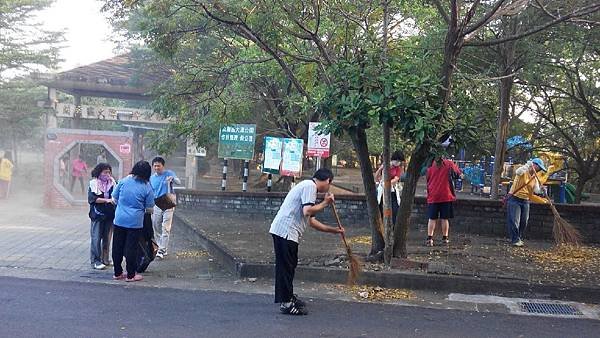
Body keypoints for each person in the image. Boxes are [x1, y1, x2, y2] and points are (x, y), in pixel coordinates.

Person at [269, 168, 344, 315]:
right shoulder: (310, 186)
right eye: (329, 183)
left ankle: (288, 296)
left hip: (288, 233)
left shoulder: (308, 188)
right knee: (286, 268)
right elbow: (307, 211)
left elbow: (311, 221)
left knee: (290, 266)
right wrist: (326, 202)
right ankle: (286, 303)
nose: (328, 187)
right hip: (285, 231)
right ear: (327, 180)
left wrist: (334, 230)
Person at [111, 161, 155, 282]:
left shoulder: (123, 181)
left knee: (117, 246)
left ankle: (117, 273)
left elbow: (113, 199)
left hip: (119, 219)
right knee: (131, 248)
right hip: (135, 222)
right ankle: (131, 275)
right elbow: (149, 208)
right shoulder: (147, 187)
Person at [505, 158, 547, 247]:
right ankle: (514, 239)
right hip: (515, 198)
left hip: (525, 201)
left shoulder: (534, 178)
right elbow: (518, 172)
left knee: (524, 221)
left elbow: (536, 190)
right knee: (514, 220)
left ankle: (518, 237)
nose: (539, 170)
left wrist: (542, 190)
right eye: (539, 168)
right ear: (534, 165)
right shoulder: (523, 171)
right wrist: (527, 165)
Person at [425, 156, 462, 247]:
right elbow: (458, 174)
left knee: (432, 218)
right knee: (444, 218)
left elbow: (427, 178)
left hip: (433, 195)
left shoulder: (430, 164)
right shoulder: (449, 163)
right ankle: (445, 238)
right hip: (446, 194)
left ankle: (430, 239)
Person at [150, 156, 181, 259]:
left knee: (165, 228)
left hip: (168, 203)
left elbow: (178, 182)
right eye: (155, 166)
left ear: (163, 166)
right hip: (157, 204)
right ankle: (160, 246)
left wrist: (173, 179)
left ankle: (161, 250)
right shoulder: (152, 178)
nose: (156, 168)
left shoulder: (169, 173)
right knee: (156, 226)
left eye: (158, 166)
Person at [88, 163, 116, 270]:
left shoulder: (112, 183)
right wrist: (107, 200)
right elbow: (92, 199)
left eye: (109, 172)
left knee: (107, 238)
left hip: (109, 215)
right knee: (96, 238)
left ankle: (105, 259)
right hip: (97, 215)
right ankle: (95, 260)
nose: (107, 174)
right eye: (105, 172)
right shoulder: (93, 184)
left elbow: (116, 195)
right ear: (99, 172)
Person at [374, 150, 405, 223]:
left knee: (394, 209)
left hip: (392, 190)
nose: (398, 163)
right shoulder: (386, 165)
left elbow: (396, 179)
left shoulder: (398, 169)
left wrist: (387, 184)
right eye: (397, 161)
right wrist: (380, 169)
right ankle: (383, 223)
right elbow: (376, 176)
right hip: (382, 191)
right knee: (382, 208)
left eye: (400, 161)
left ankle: (392, 224)